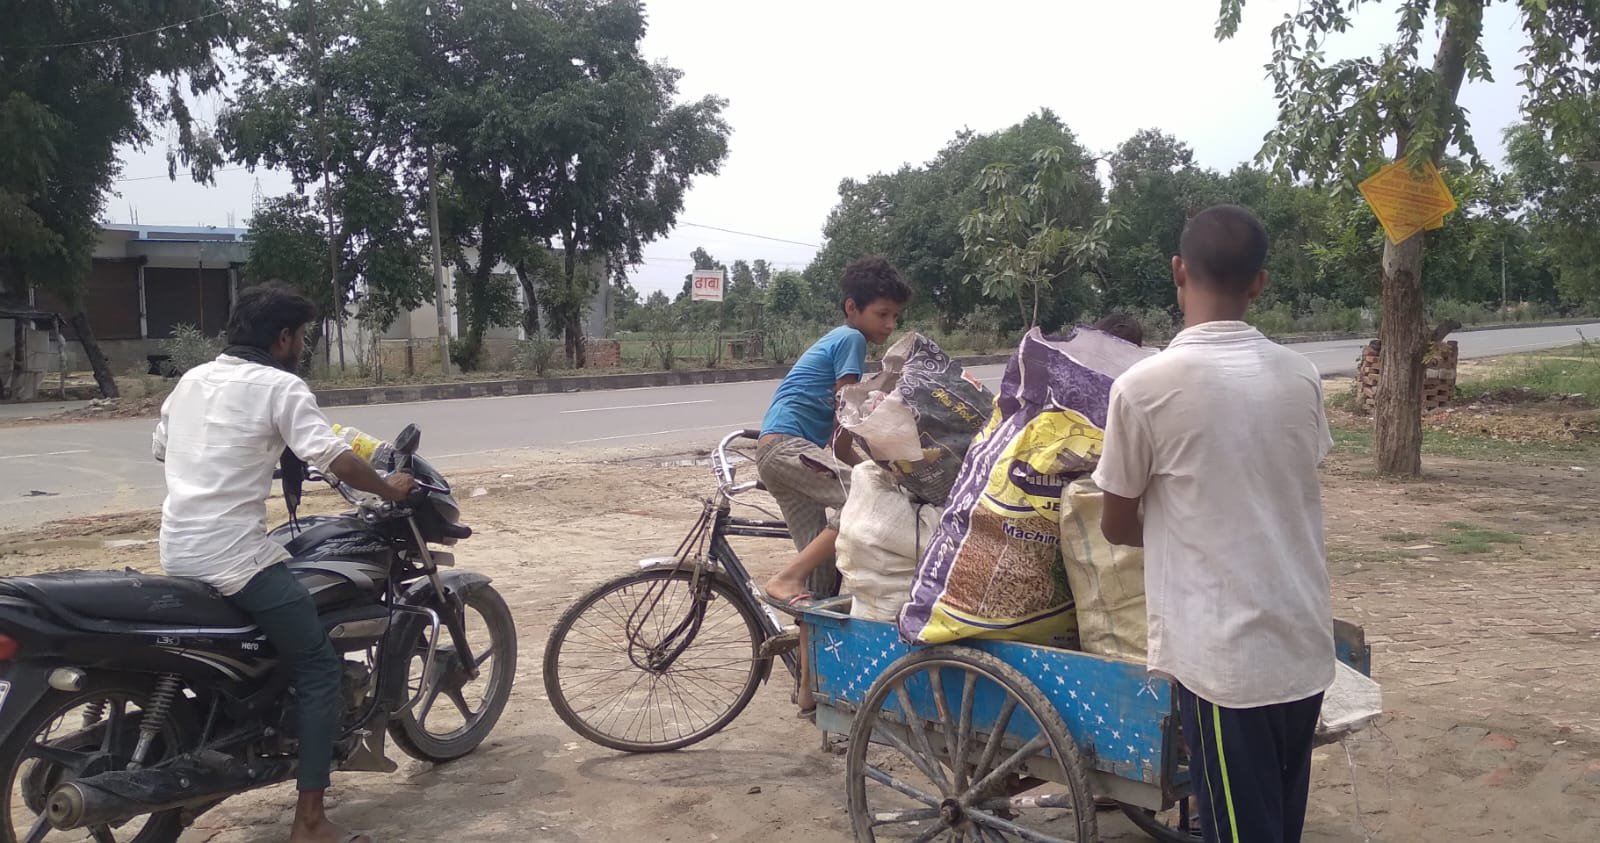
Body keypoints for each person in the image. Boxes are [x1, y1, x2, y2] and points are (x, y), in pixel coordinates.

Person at [1092, 205, 1335, 843]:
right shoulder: (1301, 376)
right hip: (1303, 645)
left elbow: (1117, 524)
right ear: (1259, 282)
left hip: (1226, 667)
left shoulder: (1144, 389)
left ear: (1178, 270)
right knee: (1279, 822)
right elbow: (1286, 477)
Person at [154, 282, 414, 843]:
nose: (302, 346)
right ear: (282, 338)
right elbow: (333, 457)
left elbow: (164, 447)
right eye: (302, 336)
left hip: (177, 548)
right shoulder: (281, 386)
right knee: (318, 666)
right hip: (235, 557)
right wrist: (389, 489)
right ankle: (311, 823)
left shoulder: (193, 380)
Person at [758, 255, 911, 605]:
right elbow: (849, 413)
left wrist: (866, 468)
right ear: (852, 307)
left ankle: (807, 654)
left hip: (781, 454)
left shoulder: (840, 338)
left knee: (820, 580)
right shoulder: (850, 339)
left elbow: (840, 440)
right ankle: (785, 578)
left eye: (895, 317)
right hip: (788, 448)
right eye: (882, 314)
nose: (890, 325)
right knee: (869, 501)